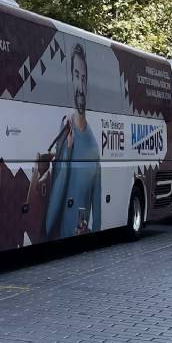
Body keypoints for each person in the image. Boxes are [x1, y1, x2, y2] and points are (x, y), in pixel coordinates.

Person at [30, 43, 102, 239]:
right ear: (71, 80)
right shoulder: (63, 130)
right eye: (76, 76)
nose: (80, 85)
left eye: (84, 78)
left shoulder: (94, 147)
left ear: (88, 85)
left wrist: (90, 232)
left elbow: (99, 217)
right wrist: (67, 152)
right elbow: (54, 202)